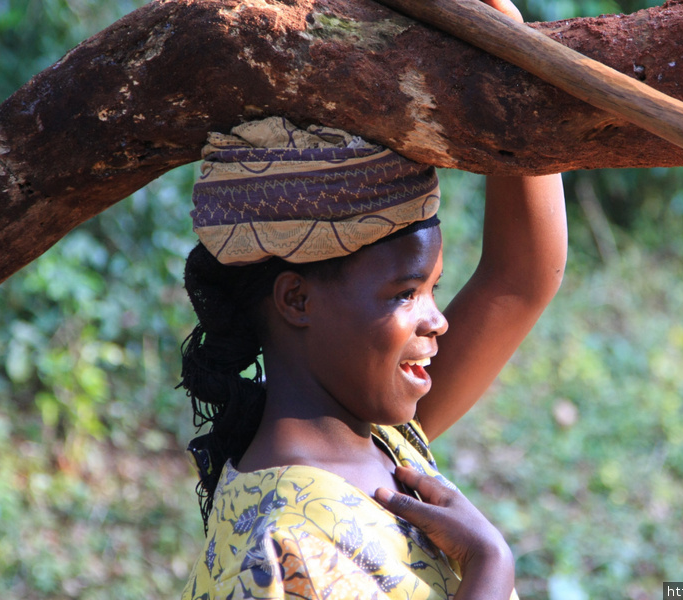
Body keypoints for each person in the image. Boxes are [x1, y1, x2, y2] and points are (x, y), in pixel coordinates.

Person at [179, 10, 566, 597]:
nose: (437, 319)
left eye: (433, 288)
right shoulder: (281, 551)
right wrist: (490, 567)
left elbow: (520, 278)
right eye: (406, 294)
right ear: (297, 298)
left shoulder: (384, 441)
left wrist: (507, 32)